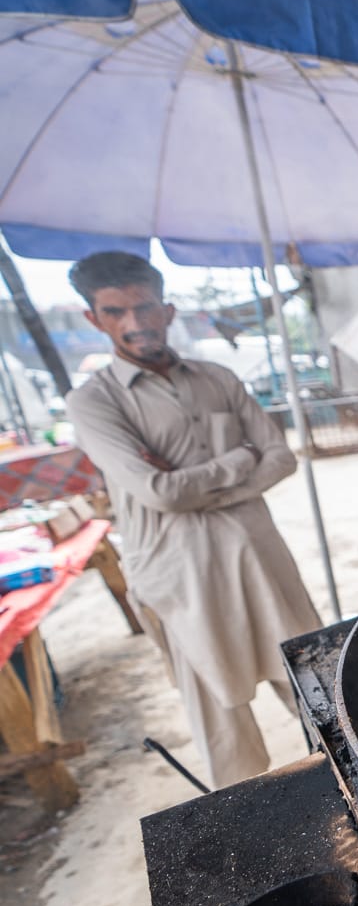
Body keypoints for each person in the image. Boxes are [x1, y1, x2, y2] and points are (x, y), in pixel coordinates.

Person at [64, 251, 322, 788]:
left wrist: (192, 483)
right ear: (94, 319)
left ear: (168, 309)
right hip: (179, 576)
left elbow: (280, 456)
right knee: (222, 721)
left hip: (259, 558)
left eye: (145, 307)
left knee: (316, 687)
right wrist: (236, 461)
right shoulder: (94, 401)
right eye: (116, 312)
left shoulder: (218, 377)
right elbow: (158, 493)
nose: (134, 323)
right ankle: (251, 826)